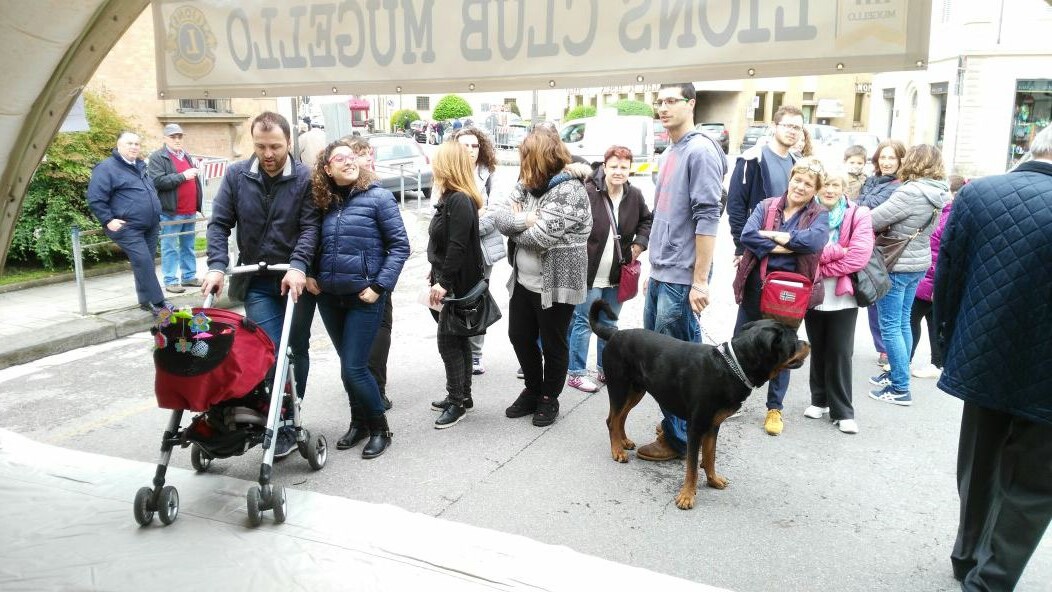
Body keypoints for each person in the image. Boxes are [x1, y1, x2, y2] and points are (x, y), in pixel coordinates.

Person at [933, 124, 1052, 591]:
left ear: (1032, 146)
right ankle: (991, 579)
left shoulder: (978, 194)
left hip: (983, 352)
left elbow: (948, 275)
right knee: (1033, 484)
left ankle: (967, 554)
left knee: (978, 461)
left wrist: (946, 346)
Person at [201, 112, 319, 458]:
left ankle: (291, 413)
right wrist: (217, 266)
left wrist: (298, 266)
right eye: (261, 146)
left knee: (296, 347)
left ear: (288, 144)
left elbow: (311, 227)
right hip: (258, 280)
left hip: (295, 279)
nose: (268, 154)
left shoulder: (304, 178)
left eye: (276, 147)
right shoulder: (238, 175)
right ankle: (277, 419)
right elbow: (219, 223)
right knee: (268, 350)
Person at [635, 82, 726, 461]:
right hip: (663, 271)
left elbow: (708, 217)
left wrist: (699, 281)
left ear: (692, 103)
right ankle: (680, 429)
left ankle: (679, 440)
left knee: (677, 367)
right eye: (659, 102)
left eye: (672, 100)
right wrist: (652, 266)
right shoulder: (672, 149)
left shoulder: (701, 150)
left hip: (682, 278)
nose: (663, 107)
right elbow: (664, 216)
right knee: (663, 361)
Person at [307, 140, 409, 457]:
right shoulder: (322, 202)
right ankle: (359, 423)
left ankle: (381, 429)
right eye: (341, 158)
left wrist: (379, 286)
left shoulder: (378, 197)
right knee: (346, 366)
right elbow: (310, 241)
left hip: (365, 297)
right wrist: (311, 273)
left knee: (355, 368)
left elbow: (400, 247)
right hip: (330, 298)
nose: (349, 162)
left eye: (352, 157)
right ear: (327, 168)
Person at [490, 130, 592, 428]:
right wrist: (524, 219)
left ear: (542, 158)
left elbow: (541, 237)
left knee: (553, 343)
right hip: (524, 281)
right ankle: (533, 389)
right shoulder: (528, 183)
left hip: (557, 282)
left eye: (526, 158)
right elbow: (498, 216)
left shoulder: (570, 190)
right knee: (519, 336)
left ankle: (549, 397)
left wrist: (520, 224)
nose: (522, 164)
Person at [732, 158, 830, 436]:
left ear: (815, 189)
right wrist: (789, 245)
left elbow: (814, 243)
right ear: (790, 179)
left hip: (790, 295)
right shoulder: (766, 205)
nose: (800, 186)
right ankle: (734, 397)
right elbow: (748, 235)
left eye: (808, 184)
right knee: (741, 340)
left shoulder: (819, 214)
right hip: (756, 286)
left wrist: (775, 237)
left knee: (782, 349)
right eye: (797, 180)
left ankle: (774, 408)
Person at [868, 144, 950, 406]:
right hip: (918, 262)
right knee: (902, 322)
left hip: (898, 263)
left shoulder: (911, 192)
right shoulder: (939, 192)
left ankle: (900, 387)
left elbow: (874, 219)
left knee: (891, 325)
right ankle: (896, 372)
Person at [566, 145, 652, 393]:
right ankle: (576, 372)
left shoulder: (634, 195)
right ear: (604, 167)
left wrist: (639, 243)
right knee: (584, 322)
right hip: (588, 273)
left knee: (610, 322)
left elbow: (647, 220)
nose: (618, 171)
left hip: (617, 274)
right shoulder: (589, 191)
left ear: (630, 169)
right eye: (613, 166)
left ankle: (606, 369)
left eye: (624, 167)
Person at [803, 167, 873, 435]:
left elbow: (858, 257)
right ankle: (818, 399)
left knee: (841, 351)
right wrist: (836, 253)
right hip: (813, 292)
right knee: (818, 346)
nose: (830, 190)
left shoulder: (859, 215)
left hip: (843, 294)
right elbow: (805, 251)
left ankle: (843, 410)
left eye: (835, 185)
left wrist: (822, 265)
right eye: (825, 185)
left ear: (844, 187)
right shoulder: (808, 213)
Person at [426, 142, 486, 428]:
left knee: (448, 342)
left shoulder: (459, 200)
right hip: (451, 282)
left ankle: (457, 402)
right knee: (458, 340)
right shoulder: (452, 197)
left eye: (437, 161)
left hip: (457, 287)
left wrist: (443, 283)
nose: (433, 165)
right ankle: (463, 396)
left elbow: (457, 247)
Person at [86, 131, 168, 315]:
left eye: (137, 144)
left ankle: (146, 301)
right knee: (144, 261)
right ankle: (159, 302)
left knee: (145, 263)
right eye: (129, 143)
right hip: (128, 227)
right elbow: (95, 198)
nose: (134, 147)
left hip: (150, 225)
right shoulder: (107, 168)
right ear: (119, 145)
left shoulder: (139, 166)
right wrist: (108, 220)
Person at [345, 136, 393, 410]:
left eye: (369, 153)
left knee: (381, 332)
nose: (368, 159)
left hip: (378, 277)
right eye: (362, 154)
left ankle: (377, 387)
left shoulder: (378, 190)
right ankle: (367, 388)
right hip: (355, 280)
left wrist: (383, 280)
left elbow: (396, 242)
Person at [450, 126, 499, 376]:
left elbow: (496, 213)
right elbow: (441, 216)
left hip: (481, 250)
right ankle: (459, 350)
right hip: (454, 250)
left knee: (477, 299)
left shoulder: (488, 174)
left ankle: (476, 353)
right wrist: (472, 217)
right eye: (464, 145)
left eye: (474, 145)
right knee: (455, 298)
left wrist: (467, 225)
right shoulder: (448, 174)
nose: (470, 150)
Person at [728, 105, 803, 264]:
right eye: (787, 125)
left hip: (787, 248)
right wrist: (742, 246)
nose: (792, 131)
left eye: (797, 127)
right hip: (757, 246)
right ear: (774, 127)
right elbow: (736, 206)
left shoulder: (798, 165)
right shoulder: (752, 159)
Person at [910, 174, 964, 379]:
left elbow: (941, 250)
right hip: (931, 277)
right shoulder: (943, 212)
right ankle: (936, 363)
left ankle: (905, 360)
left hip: (930, 278)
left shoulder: (947, 215)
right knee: (932, 320)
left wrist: (935, 285)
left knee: (911, 319)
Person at [858, 139, 906, 369]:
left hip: (886, 248)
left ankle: (889, 352)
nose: (886, 162)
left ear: (900, 161)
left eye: (892, 158)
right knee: (871, 298)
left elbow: (867, 208)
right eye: (883, 157)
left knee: (883, 300)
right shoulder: (871, 180)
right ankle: (883, 349)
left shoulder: (898, 186)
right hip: (869, 245)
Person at [148, 123, 203, 295]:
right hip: (171, 212)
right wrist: (183, 176)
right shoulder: (158, 157)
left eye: (179, 137)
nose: (177, 140)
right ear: (165, 139)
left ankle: (189, 276)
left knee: (188, 245)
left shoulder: (185, 155)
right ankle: (171, 280)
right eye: (173, 137)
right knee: (170, 246)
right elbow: (158, 181)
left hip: (189, 210)